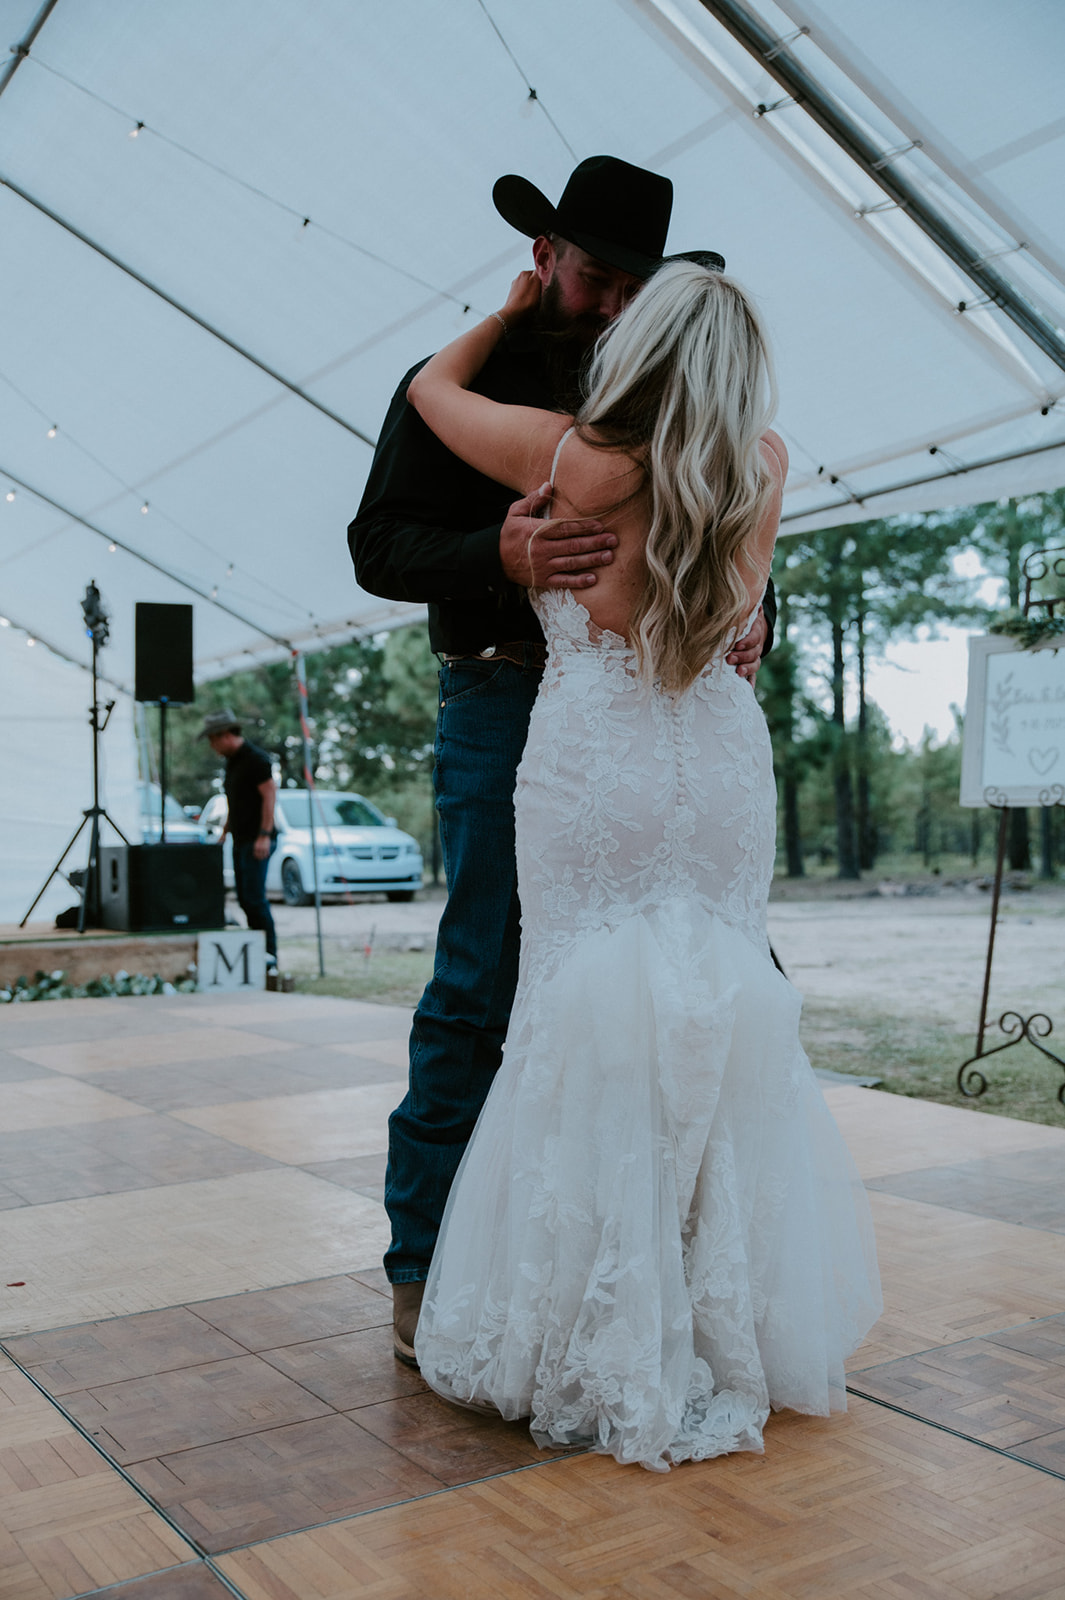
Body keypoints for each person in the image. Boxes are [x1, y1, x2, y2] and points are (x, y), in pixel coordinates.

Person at [405, 256, 881, 1470]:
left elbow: (426, 395)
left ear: (646, 347)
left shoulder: (576, 459)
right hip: (716, 764)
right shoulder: (761, 467)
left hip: (597, 758)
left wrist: (503, 318)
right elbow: (739, 602)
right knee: (718, 1015)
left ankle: (592, 1332)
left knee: (580, 1020)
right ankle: (720, 1321)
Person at [349, 157, 775, 1366]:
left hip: (659, 710)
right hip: (506, 692)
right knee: (485, 979)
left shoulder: (656, 368)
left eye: (636, 284)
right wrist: (503, 553)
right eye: (597, 277)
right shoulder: (477, 376)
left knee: (697, 986)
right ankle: (428, 1261)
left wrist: (752, 615)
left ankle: (676, 1273)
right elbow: (377, 544)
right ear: (547, 257)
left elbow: (725, 508)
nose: (613, 306)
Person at [202, 708, 278, 968]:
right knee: (245, 898)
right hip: (241, 839)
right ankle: (256, 954)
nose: (212, 747)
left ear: (225, 735)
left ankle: (271, 956)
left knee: (255, 898)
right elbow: (236, 803)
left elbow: (269, 796)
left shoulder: (256, 759)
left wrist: (264, 835)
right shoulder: (232, 762)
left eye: (213, 740)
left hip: (258, 839)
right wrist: (225, 832)